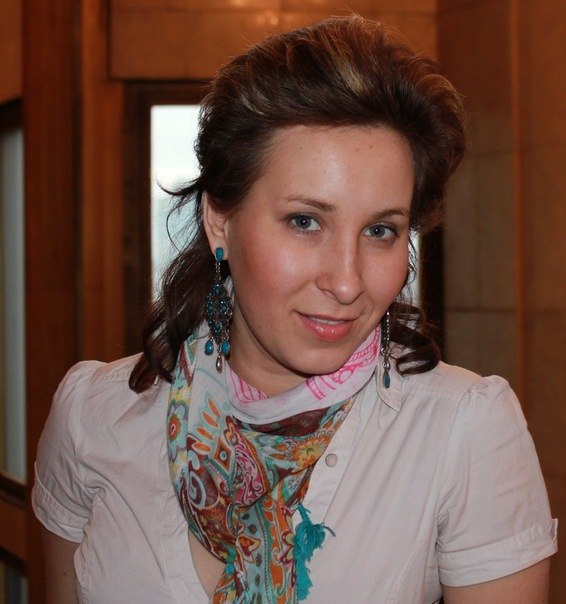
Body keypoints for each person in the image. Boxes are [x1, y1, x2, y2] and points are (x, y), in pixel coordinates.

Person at [32, 15, 557, 603]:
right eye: (305, 221)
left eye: (381, 230)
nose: (346, 282)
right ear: (220, 221)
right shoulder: (93, 415)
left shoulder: (463, 430)